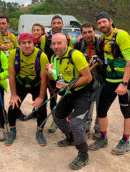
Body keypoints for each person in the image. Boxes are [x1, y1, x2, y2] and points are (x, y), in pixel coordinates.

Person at [89, 12, 130, 155]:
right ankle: (103, 138)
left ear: (111, 21)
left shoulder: (121, 35)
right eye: (99, 23)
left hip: (125, 81)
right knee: (102, 111)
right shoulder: (104, 37)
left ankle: (125, 141)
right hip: (110, 81)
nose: (102, 25)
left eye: (104, 22)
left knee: (126, 112)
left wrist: (124, 83)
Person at [46, 33, 92, 170]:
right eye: (53, 44)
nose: (56, 46)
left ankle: (84, 155)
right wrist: (49, 72)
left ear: (66, 42)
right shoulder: (54, 57)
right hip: (68, 93)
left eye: (59, 43)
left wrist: (68, 85)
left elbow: (87, 77)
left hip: (83, 94)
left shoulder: (76, 55)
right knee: (58, 117)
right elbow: (55, 77)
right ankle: (71, 138)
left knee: (76, 124)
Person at [5, 33, 48, 146]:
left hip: (37, 84)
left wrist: (41, 97)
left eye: (30, 42)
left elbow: (44, 79)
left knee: (41, 107)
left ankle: (39, 132)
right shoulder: (14, 54)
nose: (27, 45)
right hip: (21, 83)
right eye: (23, 43)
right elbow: (12, 75)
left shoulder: (42, 56)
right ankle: (12, 131)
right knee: (12, 106)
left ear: (34, 43)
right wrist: (14, 94)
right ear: (19, 44)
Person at [40, 15, 74, 133]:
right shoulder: (45, 38)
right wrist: (46, 71)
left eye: (59, 23)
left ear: (62, 25)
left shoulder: (68, 39)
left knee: (68, 97)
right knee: (53, 98)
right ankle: (55, 121)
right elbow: (42, 55)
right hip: (51, 73)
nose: (56, 25)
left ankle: (70, 122)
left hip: (65, 74)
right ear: (51, 25)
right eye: (54, 23)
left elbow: (72, 55)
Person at [74, 23, 105, 139]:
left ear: (94, 32)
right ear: (81, 34)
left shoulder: (101, 43)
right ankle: (85, 128)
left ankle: (98, 129)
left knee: (100, 105)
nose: (87, 35)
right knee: (85, 104)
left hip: (100, 78)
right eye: (84, 32)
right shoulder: (79, 44)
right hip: (86, 80)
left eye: (90, 32)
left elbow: (102, 60)